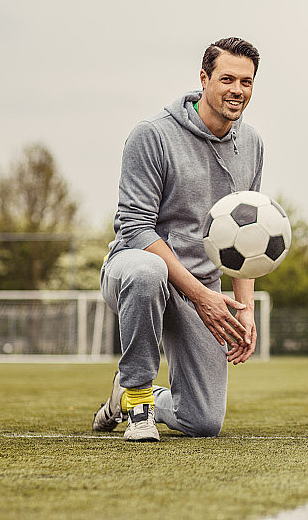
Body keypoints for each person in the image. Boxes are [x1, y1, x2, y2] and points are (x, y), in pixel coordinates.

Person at [92, 37, 264, 442]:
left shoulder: (253, 144)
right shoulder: (151, 135)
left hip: (203, 286)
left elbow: (249, 237)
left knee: (202, 422)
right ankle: (136, 398)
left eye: (247, 81)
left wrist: (246, 310)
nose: (237, 90)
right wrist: (201, 297)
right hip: (135, 270)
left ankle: (125, 399)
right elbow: (135, 228)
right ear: (203, 78)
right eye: (226, 79)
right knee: (147, 270)